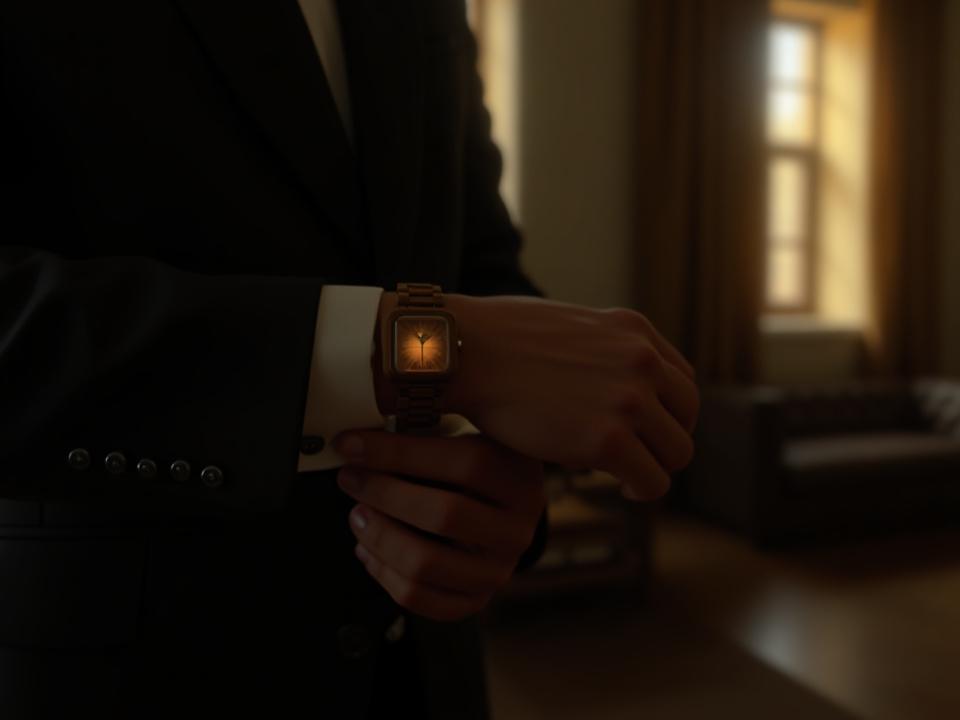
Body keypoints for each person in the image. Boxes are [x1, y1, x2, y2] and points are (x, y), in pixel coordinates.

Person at [0, 1, 699, 718]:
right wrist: (433, 354)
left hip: (428, 666)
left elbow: (481, 261)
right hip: (128, 670)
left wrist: (497, 483)